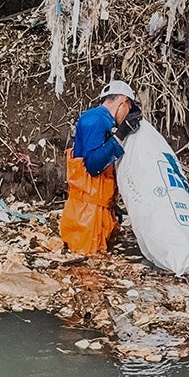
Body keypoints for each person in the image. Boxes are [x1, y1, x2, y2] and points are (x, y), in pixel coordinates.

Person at [61, 80, 140, 255]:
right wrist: (121, 134)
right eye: (129, 108)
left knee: (100, 263)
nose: (128, 114)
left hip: (99, 210)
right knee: (86, 266)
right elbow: (93, 164)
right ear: (123, 101)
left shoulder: (104, 121)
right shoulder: (95, 119)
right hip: (86, 215)